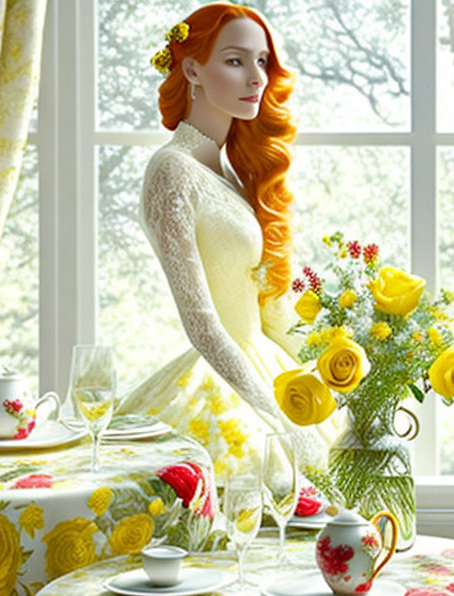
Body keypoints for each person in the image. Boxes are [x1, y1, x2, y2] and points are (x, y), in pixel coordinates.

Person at [117, 2, 336, 479]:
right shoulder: (171, 171)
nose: (256, 77)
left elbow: (264, 305)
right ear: (193, 69)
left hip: (265, 364)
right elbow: (201, 322)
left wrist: (323, 371)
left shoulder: (230, 174)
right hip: (220, 381)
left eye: (261, 62)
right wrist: (272, 415)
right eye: (236, 61)